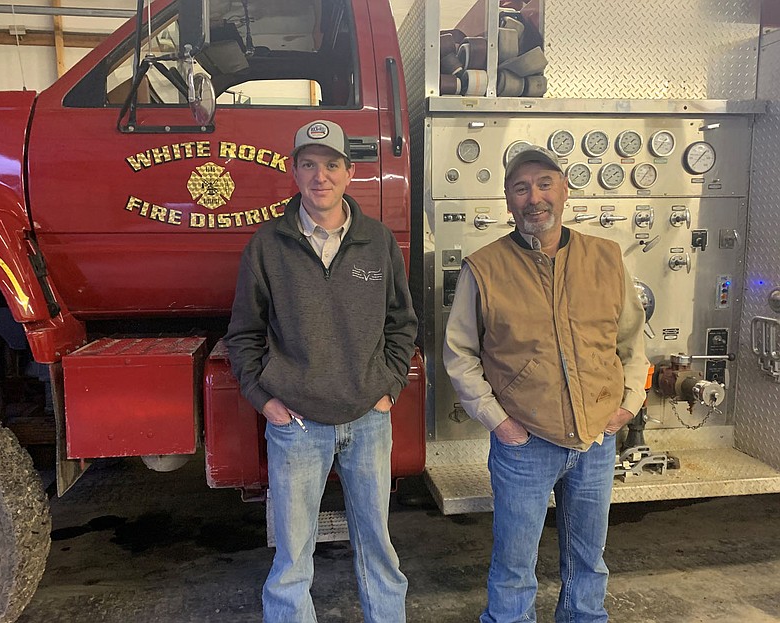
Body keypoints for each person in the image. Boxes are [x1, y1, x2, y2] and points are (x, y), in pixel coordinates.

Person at [443, 144, 649, 623]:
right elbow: (459, 355)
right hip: (524, 444)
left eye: (544, 184)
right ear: (508, 201)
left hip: (596, 439)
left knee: (587, 562)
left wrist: (629, 402)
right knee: (515, 566)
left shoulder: (606, 257)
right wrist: (499, 423)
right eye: (520, 188)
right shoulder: (484, 267)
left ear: (564, 190)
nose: (534, 197)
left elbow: (632, 339)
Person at [225, 119, 416, 623]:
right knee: (291, 558)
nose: (320, 176)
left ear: (350, 173)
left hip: (369, 420)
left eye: (331, 164)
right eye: (308, 165)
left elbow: (402, 322)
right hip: (298, 426)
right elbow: (243, 334)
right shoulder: (267, 246)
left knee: (378, 549)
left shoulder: (378, 241)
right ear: (293, 172)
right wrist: (268, 403)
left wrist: (389, 388)